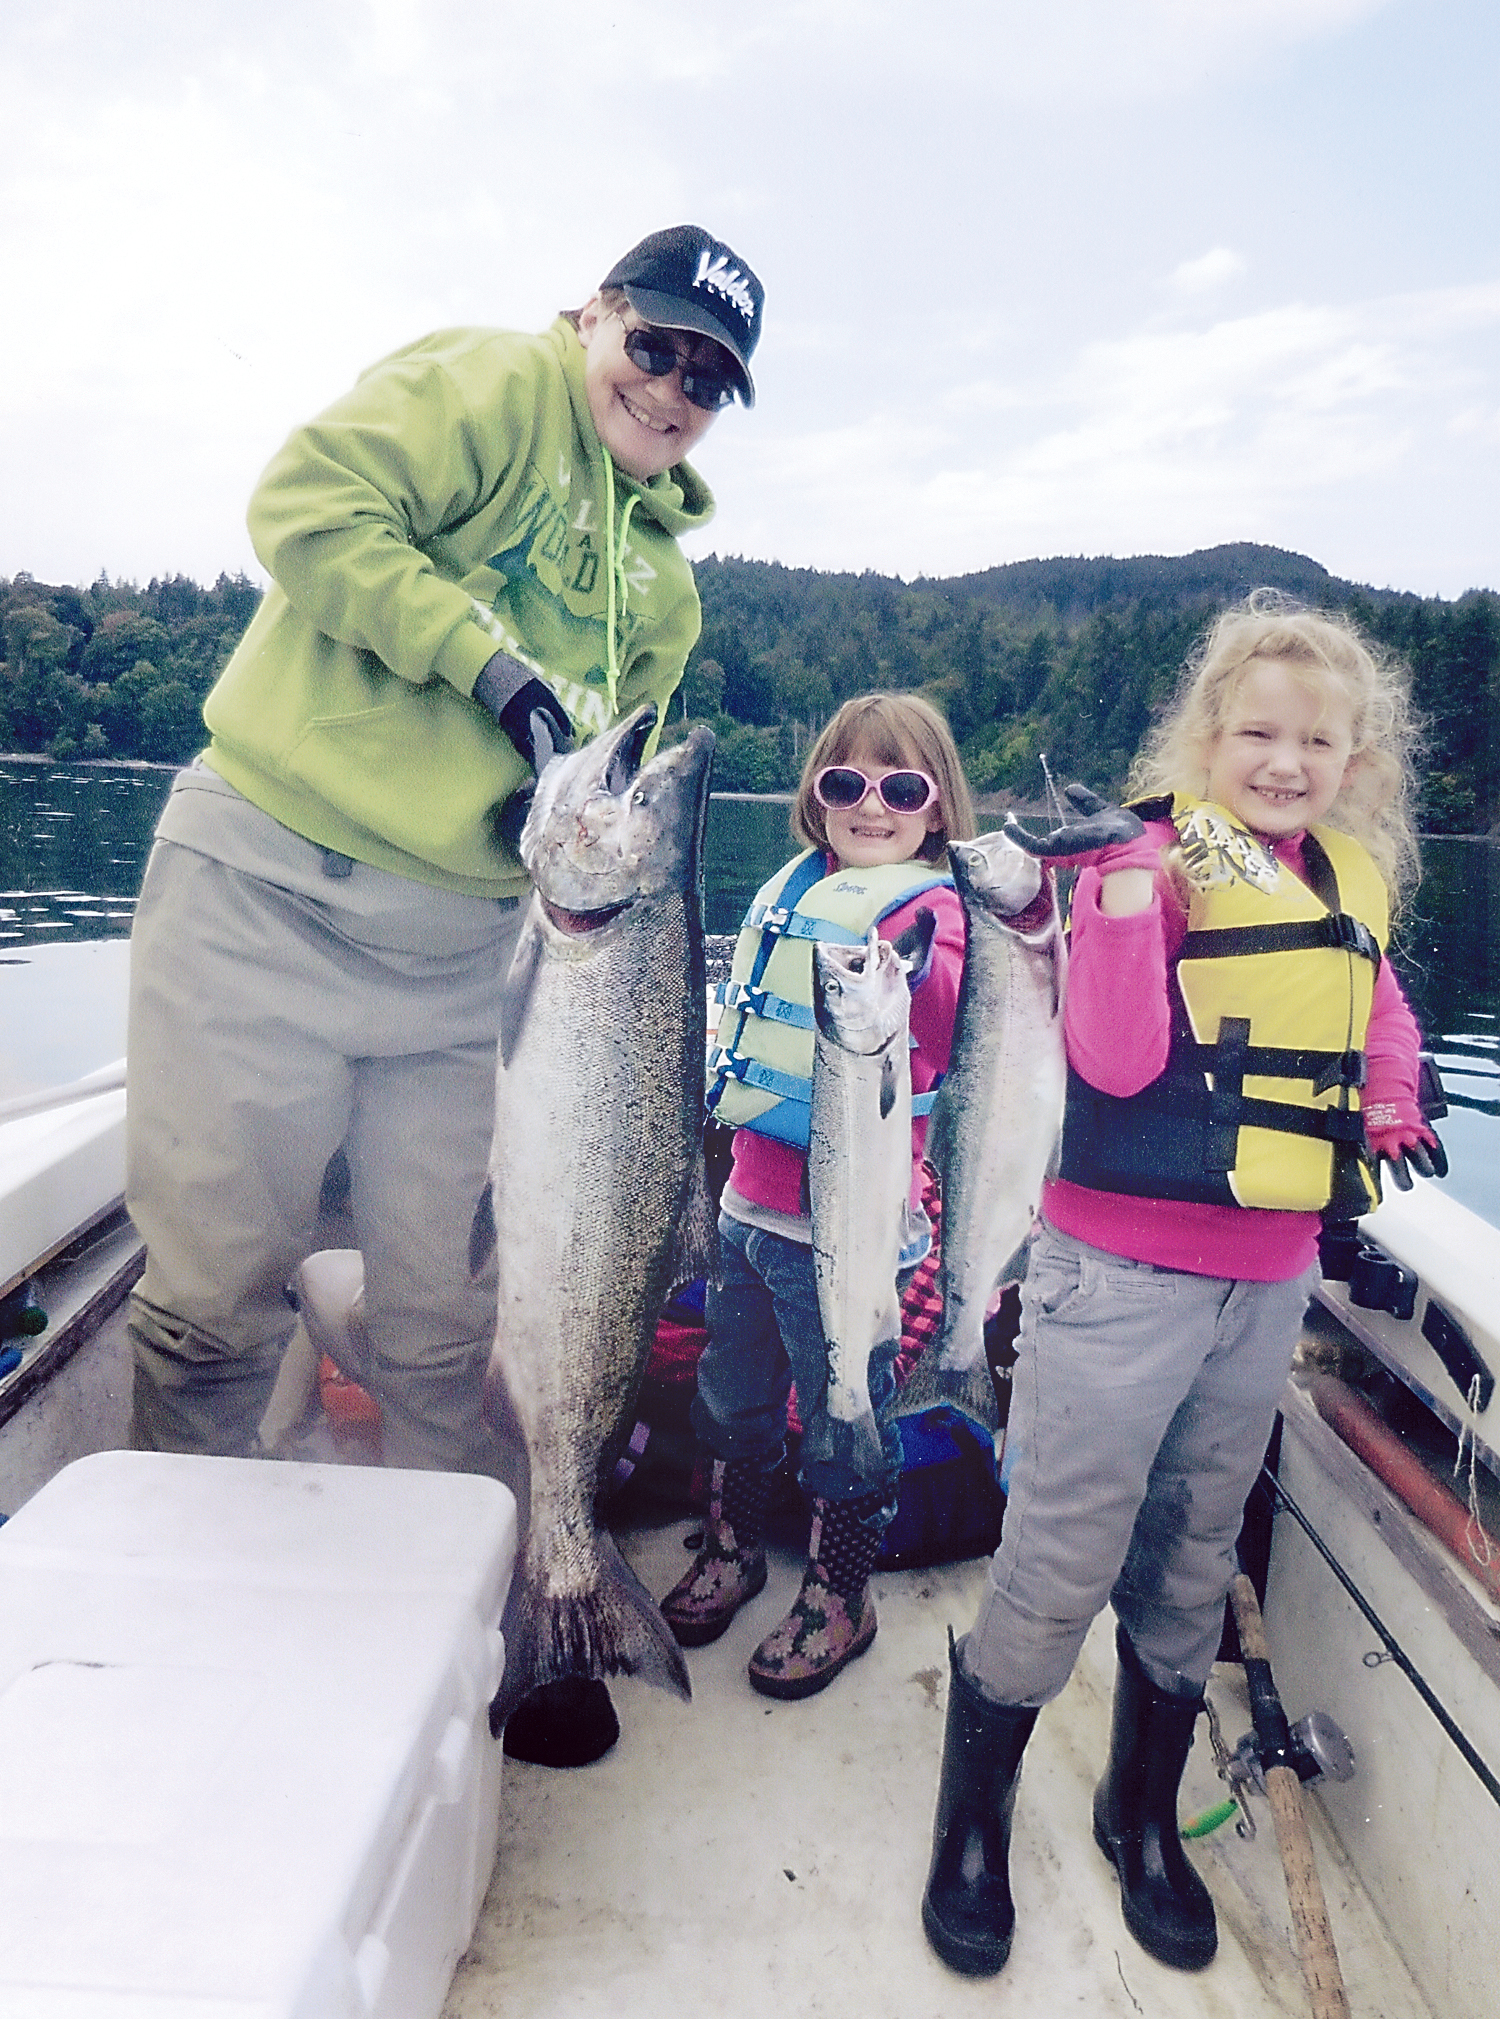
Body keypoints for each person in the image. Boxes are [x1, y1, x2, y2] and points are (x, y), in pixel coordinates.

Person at [123, 223, 764, 1763]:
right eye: (660, 344)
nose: (675, 388)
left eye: (714, 378)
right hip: (262, 892)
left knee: (439, 1321)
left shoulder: (663, 596)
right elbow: (306, 505)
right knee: (215, 1292)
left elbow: (600, 812)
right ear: (599, 314)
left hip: (472, 958)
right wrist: (495, 668)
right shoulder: (488, 386)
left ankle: (512, 1614)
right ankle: (159, 1615)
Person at [920, 591, 1443, 1977]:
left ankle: (1138, 1808)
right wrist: (1119, 899)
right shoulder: (1146, 856)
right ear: (1206, 739)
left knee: (1195, 1557)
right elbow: (1112, 1056)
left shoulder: (1343, 873)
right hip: (1116, 1278)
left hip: (1266, 1286)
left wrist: (1391, 1090)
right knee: (1061, 1553)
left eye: (1317, 741)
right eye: (1259, 733)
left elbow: (1376, 1001)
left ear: (1353, 759)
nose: (1286, 761)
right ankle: (971, 1820)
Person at [659, 693, 976, 1697]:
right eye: (846, 783)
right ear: (817, 797)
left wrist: (910, 973)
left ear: (936, 808)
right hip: (749, 1208)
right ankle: (733, 1544)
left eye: (900, 786)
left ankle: (843, 1591)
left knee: (850, 1414)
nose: (870, 804)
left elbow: (951, 998)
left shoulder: (937, 911)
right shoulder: (796, 887)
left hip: (852, 1235)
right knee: (731, 1394)